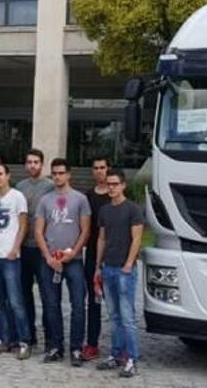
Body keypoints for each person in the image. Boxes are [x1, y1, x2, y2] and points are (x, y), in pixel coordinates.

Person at [35, 158, 91, 366]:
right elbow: (39, 231)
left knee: (78, 305)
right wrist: (48, 257)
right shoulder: (45, 200)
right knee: (51, 304)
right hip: (50, 261)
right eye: (54, 173)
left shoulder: (80, 199)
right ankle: (54, 346)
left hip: (73, 260)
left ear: (69, 174)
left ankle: (76, 348)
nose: (57, 177)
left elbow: (85, 230)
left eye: (61, 173)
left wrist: (73, 252)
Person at [94, 169, 143, 378]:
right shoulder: (104, 210)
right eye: (109, 184)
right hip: (108, 267)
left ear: (123, 185)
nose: (111, 188)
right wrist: (98, 265)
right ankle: (116, 354)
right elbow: (102, 239)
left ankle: (132, 358)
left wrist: (129, 264)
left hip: (125, 269)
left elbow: (137, 239)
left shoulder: (132, 209)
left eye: (115, 184)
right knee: (114, 316)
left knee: (127, 317)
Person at [0, 163, 31, 360]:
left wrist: (15, 248)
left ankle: (24, 341)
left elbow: (23, 225)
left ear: (8, 176)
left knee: (16, 301)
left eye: (0, 174)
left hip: (9, 256)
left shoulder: (17, 197)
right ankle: (5, 339)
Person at [14, 149, 54, 347]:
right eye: (29, 162)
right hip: (23, 247)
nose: (32, 165)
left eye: (36, 162)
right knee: (24, 293)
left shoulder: (50, 186)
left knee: (47, 294)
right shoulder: (19, 186)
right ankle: (28, 335)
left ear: (42, 164)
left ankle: (50, 338)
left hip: (42, 247)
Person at [82, 156, 111, 360]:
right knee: (94, 300)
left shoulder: (115, 194)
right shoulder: (88, 196)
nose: (99, 171)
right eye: (96, 168)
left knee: (117, 303)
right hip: (92, 254)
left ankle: (122, 346)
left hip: (115, 254)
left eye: (102, 168)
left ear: (108, 169)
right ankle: (92, 343)